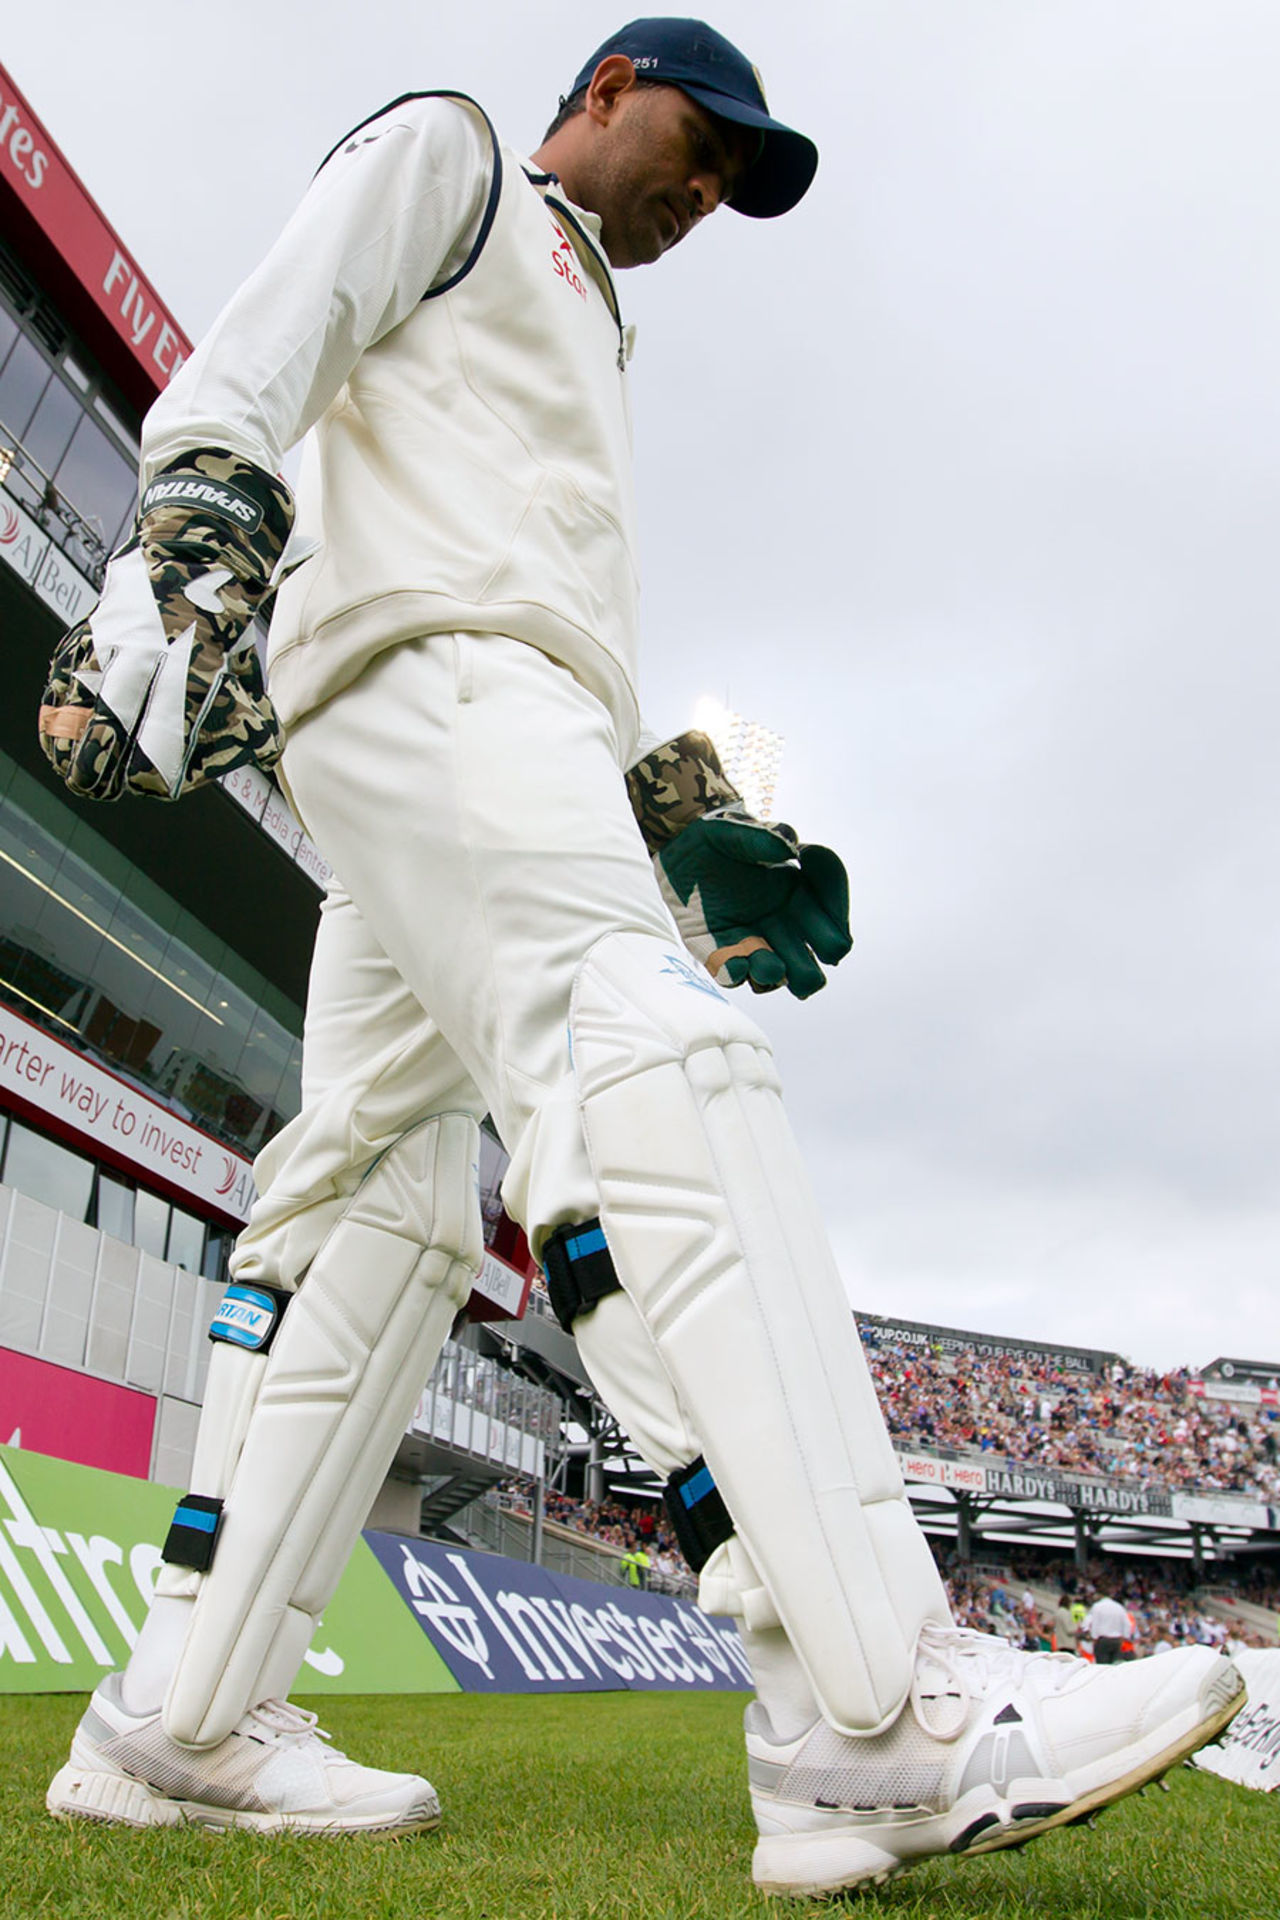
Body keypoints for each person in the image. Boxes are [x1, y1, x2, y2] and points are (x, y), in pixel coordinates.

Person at [44, 17, 1243, 1898]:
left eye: (735, 189)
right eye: (700, 141)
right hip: (426, 687)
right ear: (604, 85)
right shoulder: (453, 164)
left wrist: (675, 832)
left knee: (381, 1208)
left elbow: (534, 598)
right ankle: (869, 1707)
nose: (706, 191)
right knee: (641, 1059)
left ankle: (186, 1717)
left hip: (452, 739)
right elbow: (274, 336)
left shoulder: (600, 331)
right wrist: (195, 516)